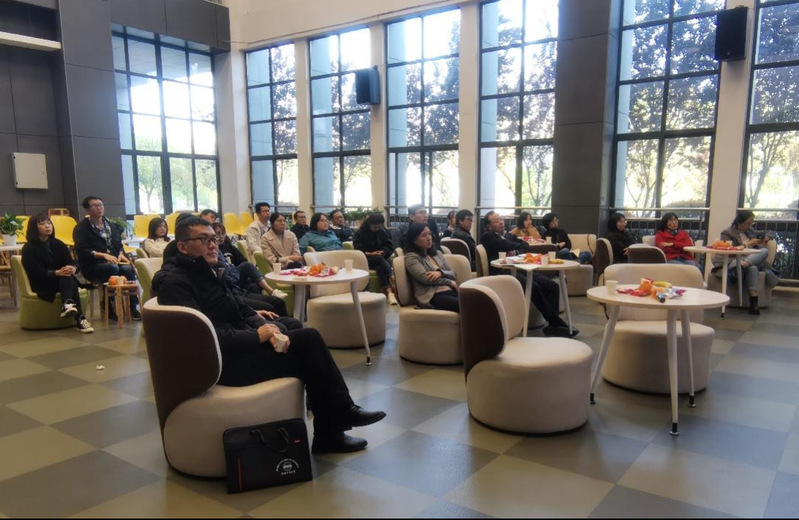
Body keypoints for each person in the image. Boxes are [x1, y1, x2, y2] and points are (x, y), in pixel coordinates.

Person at [153, 217, 386, 453]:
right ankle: (337, 418)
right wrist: (257, 336)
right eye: (203, 240)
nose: (213, 245)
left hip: (238, 347)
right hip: (224, 365)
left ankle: (331, 428)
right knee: (309, 341)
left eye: (214, 239)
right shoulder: (177, 285)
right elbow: (204, 338)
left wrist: (268, 328)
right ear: (183, 246)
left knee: (292, 327)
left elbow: (242, 310)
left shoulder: (210, 273)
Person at [481, 211, 578, 337]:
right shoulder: (487, 237)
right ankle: (557, 323)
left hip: (521, 268)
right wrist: (515, 247)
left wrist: (515, 250)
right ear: (489, 226)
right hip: (504, 272)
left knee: (552, 286)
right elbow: (506, 245)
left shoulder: (508, 235)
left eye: (501, 219)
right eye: (496, 221)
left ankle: (553, 325)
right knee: (533, 286)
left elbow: (525, 246)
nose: (501, 222)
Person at [21, 214, 93, 333]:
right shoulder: (28, 248)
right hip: (42, 283)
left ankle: (68, 305)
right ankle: (80, 318)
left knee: (68, 275)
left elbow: (72, 261)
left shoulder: (58, 244)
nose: (47, 226)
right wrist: (56, 273)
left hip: (61, 281)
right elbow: (35, 272)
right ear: (34, 227)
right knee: (70, 281)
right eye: (42, 224)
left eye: (49, 223)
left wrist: (73, 268)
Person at [73, 195, 139, 320]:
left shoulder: (112, 226)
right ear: (87, 210)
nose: (99, 208)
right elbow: (82, 250)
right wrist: (103, 254)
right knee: (113, 269)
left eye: (100, 205)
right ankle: (108, 304)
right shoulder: (81, 228)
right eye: (94, 206)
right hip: (92, 265)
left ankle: (133, 307)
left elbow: (119, 245)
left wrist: (120, 254)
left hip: (113, 262)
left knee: (127, 269)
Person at [715, 210, 780, 315]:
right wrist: (748, 244)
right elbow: (727, 250)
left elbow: (771, 231)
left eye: (751, 223)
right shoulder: (727, 233)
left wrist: (767, 237)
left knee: (764, 251)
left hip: (749, 260)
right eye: (748, 223)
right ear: (740, 222)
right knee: (752, 268)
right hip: (734, 260)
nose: (750, 226)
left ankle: (743, 265)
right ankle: (753, 303)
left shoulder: (750, 231)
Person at [211, 222, 289, 306]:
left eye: (223, 233)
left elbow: (242, 260)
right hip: (229, 278)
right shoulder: (214, 251)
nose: (221, 236)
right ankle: (272, 291)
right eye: (218, 233)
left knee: (254, 286)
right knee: (247, 266)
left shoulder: (231, 248)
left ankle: (261, 306)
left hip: (237, 275)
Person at [404, 223, 459, 312]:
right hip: (432, 295)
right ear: (414, 240)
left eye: (429, 234)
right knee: (465, 305)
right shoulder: (411, 257)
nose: (429, 238)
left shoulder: (437, 254)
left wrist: (441, 273)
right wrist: (449, 282)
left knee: (475, 302)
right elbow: (426, 278)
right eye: (424, 235)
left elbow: (453, 273)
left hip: (449, 291)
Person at [352, 213, 398, 305]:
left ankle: (389, 293)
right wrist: (371, 254)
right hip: (366, 259)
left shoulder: (382, 232)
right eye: (375, 227)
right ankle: (392, 278)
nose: (377, 229)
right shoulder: (360, 233)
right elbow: (358, 250)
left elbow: (389, 246)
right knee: (379, 259)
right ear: (369, 224)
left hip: (381, 259)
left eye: (379, 227)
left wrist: (383, 252)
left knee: (379, 267)